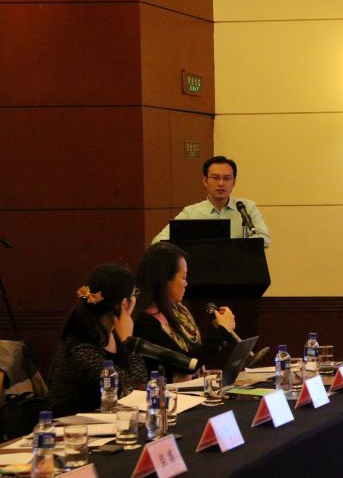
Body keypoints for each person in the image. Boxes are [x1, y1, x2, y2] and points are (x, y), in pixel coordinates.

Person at [48, 264, 148, 417]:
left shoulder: (112, 333)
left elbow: (141, 386)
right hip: (72, 427)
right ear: (124, 304)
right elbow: (130, 390)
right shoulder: (82, 346)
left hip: (107, 421)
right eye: (135, 294)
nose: (136, 299)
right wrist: (128, 342)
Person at [133, 242, 236, 381]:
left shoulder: (179, 313)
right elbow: (187, 363)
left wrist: (219, 331)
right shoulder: (145, 321)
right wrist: (222, 331)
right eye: (183, 277)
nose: (186, 283)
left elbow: (198, 354)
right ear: (165, 280)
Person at [151, 155, 270, 247]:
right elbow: (158, 241)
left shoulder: (246, 207)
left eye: (226, 178)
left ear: (233, 182)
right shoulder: (191, 212)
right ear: (205, 181)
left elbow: (264, 238)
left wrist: (234, 247)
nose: (221, 183)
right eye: (215, 178)